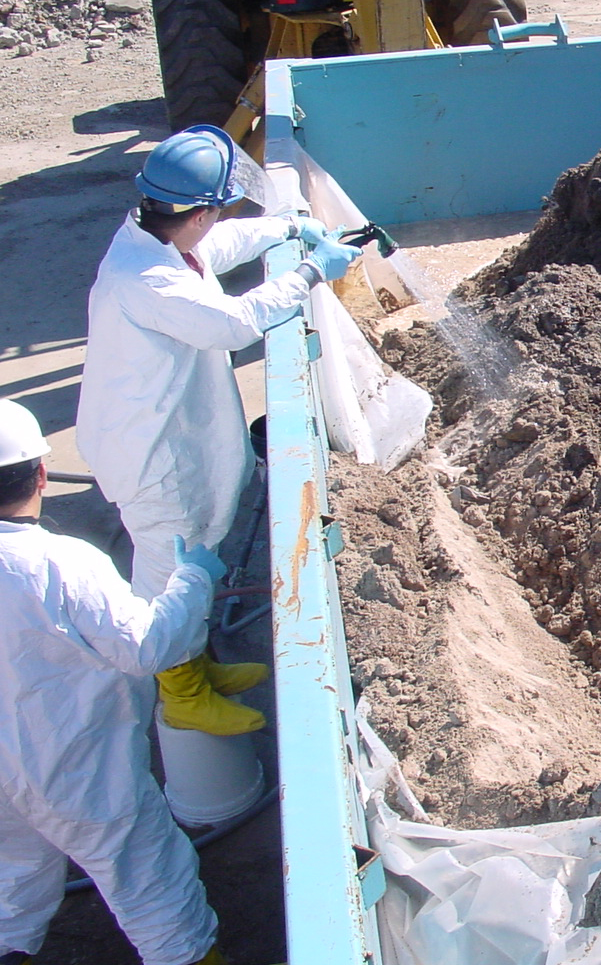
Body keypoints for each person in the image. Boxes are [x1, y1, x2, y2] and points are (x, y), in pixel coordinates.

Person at [76, 125, 359, 736]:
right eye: (218, 207)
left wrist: (286, 228)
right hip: (151, 457)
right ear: (199, 212)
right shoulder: (145, 279)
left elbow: (222, 244)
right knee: (168, 576)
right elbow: (235, 321)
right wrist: (310, 271)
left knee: (194, 557)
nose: (220, 218)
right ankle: (179, 691)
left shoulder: (160, 241)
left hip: (168, 436)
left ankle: (196, 663)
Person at [0, 399, 231, 965]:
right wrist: (192, 581)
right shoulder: (57, 563)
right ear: (43, 474)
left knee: (13, 879)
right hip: (75, 766)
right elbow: (148, 646)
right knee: (150, 879)